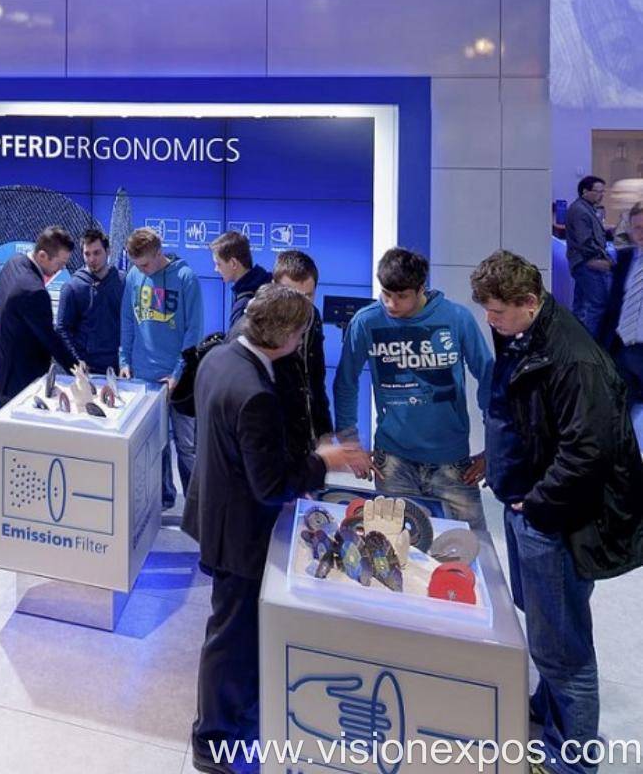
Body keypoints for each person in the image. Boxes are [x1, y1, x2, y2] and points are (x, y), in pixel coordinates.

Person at [471, 250, 643, 774]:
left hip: (553, 516)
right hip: (528, 502)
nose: (490, 321)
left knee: (563, 648)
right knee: (545, 624)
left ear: (529, 301)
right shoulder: (523, 333)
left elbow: (588, 452)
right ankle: (548, 710)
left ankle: (572, 759)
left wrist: (537, 503)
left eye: (497, 311)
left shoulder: (573, 358)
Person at [183, 284, 366, 774]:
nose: (303, 342)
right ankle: (212, 741)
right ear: (285, 336)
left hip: (219, 512)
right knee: (231, 637)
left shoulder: (220, 358)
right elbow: (270, 485)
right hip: (240, 531)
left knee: (235, 632)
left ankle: (236, 715)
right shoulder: (256, 394)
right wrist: (323, 461)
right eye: (301, 334)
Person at [333, 248, 493, 530]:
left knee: (470, 544)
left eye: (401, 296)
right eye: (386, 294)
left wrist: (494, 447)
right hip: (393, 460)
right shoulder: (366, 321)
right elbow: (346, 382)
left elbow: (489, 378)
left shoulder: (457, 318)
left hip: (452, 459)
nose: (391, 304)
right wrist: (350, 443)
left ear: (421, 288)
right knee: (393, 544)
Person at [120, 226, 203, 512]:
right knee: (156, 445)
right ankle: (163, 498)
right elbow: (128, 321)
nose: (141, 270)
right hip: (143, 376)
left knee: (186, 446)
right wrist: (124, 360)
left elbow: (193, 331)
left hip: (178, 379)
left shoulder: (185, 278)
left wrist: (178, 373)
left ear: (158, 253)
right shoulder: (133, 276)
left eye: (145, 264)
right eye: (136, 265)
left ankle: (195, 507)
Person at [0, 226, 79, 406]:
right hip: (19, 380)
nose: (62, 269)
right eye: (60, 263)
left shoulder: (13, 262)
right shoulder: (33, 292)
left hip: (1, 368)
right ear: (42, 256)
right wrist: (77, 370)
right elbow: (51, 339)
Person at [271, 250, 334, 460]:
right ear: (274, 287)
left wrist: (324, 433)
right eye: (292, 294)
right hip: (271, 436)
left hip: (305, 436)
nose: (300, 305)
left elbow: (316, 379)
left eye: (308, 296)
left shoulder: (313, 316)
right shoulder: (255, 322)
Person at [55, 228, 123, 372]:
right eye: (87, 254)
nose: (92, 259)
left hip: (118, 367)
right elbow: (62, 328)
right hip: (86, 368)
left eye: (97, 253)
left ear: (108, 251)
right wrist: (76, 361)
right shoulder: (72, 287)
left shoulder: (123, 282)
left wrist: (126, 361)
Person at [604, 203, 643, 443]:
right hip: (623, 347)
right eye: (637, 228)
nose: (641, 233)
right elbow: (614, 303)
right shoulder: (626, 258)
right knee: (619, 411)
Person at [565, 175, 615, 340]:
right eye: (597, 191)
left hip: (583, 262)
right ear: (585, 191)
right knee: (598, 304)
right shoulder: (580, 211)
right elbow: (584, 241)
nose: (601, 195)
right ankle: (590, 343)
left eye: (603, 192)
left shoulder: (585, 208)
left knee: (581, 306)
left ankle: (577, 341)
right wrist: (599, 259)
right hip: (587, 263)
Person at [211, 230, 270, 328]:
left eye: (218, 264)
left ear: (233, 263)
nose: (216, 269)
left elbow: (238, 337)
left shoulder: (245, 303)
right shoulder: (266, 285)